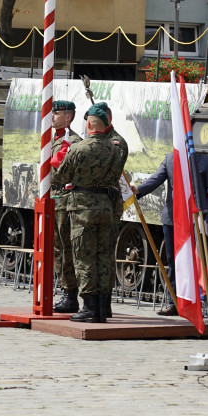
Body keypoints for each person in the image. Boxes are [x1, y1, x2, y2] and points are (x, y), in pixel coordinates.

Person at [53, 105, 124, 323]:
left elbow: (60, 178)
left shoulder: (79, 149)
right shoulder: (115, 149)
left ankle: (90, 308)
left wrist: (57, 164)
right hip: (105, 205)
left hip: (83, 207)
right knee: (103, 256)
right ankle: (102, 306)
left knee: (83, 256)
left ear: (89, 124)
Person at [132, 151, 208, 316]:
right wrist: (138, 189)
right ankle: (174, 302)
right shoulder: (170, 158)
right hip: (173, 219)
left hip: (196, 219)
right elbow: (156, 179)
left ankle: (200, 302)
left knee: (198, 261)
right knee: (173, 261)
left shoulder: (205, 161)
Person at [84, 102, 128, 318]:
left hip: (105, 203)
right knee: (97, 255)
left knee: (101, 256)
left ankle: (101, 304)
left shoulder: (115, 142)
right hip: (101, 204)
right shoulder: (104, 141)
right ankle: (99, 305)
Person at [50, 100, 82, 314]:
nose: (52, 116)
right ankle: (64, 288)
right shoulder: (54, 139)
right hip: (54, 196)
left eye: (57, 113)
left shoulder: (72, 141)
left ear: (68, 117)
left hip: (65, 197)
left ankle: (70, 293)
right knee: (56, 248)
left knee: (65, 247)